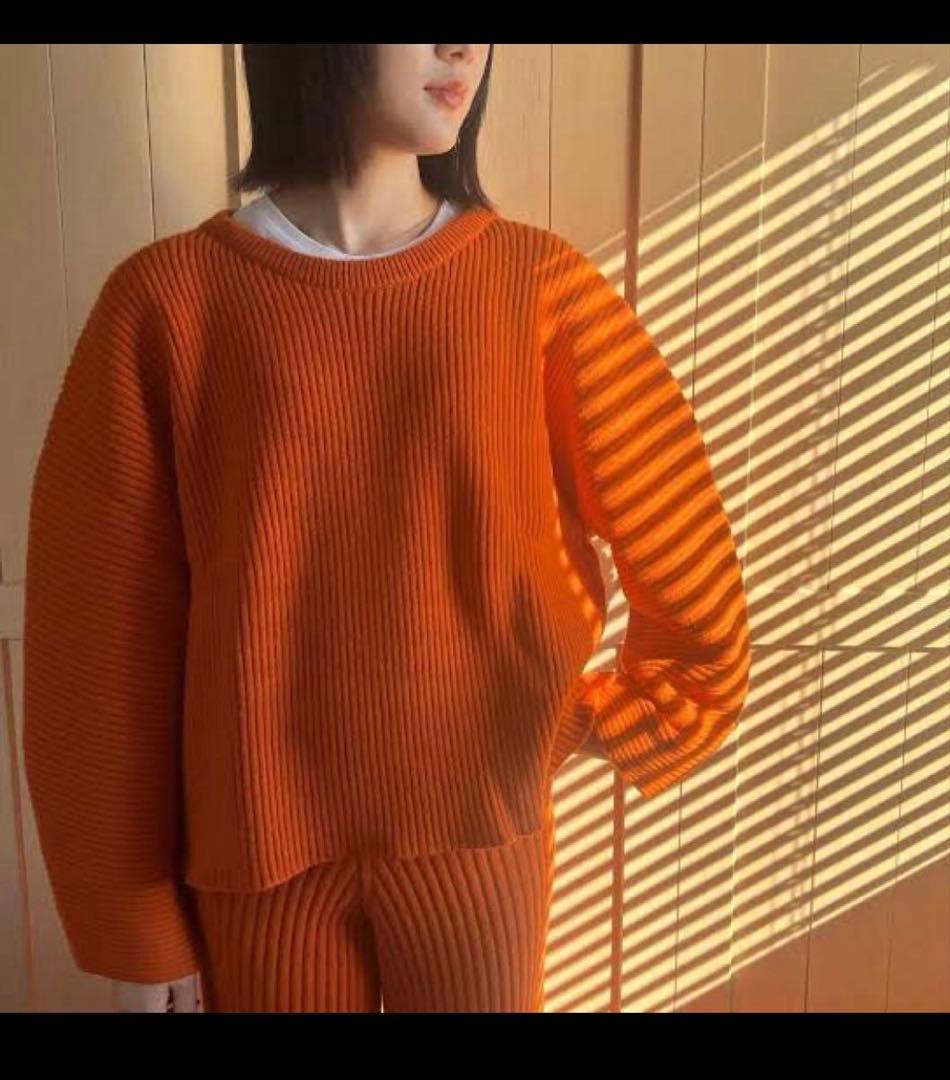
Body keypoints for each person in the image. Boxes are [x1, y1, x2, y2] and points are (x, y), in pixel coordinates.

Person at [23, 44, 751, 1013]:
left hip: (477, 848)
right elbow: (96, 649)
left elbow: (688, 558)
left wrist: (597, 716)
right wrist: (133, 929)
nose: (462, 46)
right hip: (253, 860)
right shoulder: (167, 305)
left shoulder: (535, 288)